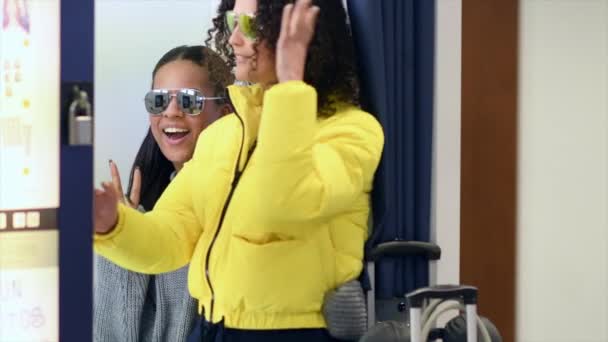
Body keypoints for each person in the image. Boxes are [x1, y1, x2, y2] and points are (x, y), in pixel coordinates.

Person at [94, 0, 384, 341]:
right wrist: (113, 225)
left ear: (298, 36)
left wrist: (291, 84)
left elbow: (282, 204)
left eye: (250, 26)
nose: (233, 39)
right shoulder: (223, 135)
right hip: (211, 329)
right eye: (233, 22)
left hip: (295, 333)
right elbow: (169, 237)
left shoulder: (351, 131)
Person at [93, 45, 234, 342]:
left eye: (189, 100)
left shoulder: (237, 196)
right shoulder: (140, 204)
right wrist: (122, 235)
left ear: (225, 112)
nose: (171, 111)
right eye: (158, 101)